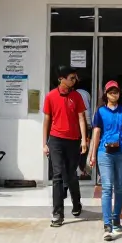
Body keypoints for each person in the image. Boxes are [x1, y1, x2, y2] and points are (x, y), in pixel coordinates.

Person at [87, 80, 122, 240]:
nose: (113, 94)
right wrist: (92, 153)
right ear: (106, 94)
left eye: (116, 91)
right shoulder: (100, 112)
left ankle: (116, 219)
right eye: (110, 91)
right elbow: (96, 133)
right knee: (107, 187)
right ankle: (107, 224)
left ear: (119, 93)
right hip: (105, 152)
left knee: (119, 188)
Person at [42, 65, 88, 227]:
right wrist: (44, 143)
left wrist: (84, 139)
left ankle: (76, 203)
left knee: (71, 175)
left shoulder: (76, 96)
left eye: (75, 78)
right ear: (61, 79)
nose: (74, 80)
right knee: (58, 176)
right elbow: (47, 120)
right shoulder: (50, 96)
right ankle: (57, 214)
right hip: (56, 140)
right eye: (71, 78)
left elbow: (81, 118)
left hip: (73, 140)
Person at [75, 77, 93, 179]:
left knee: (80, 147)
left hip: (80, 123)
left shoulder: (76, 93)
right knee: (84, 147)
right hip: (85, 123)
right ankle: (82, 170)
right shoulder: (85, 94)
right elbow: (85, 111)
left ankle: (80, 169)